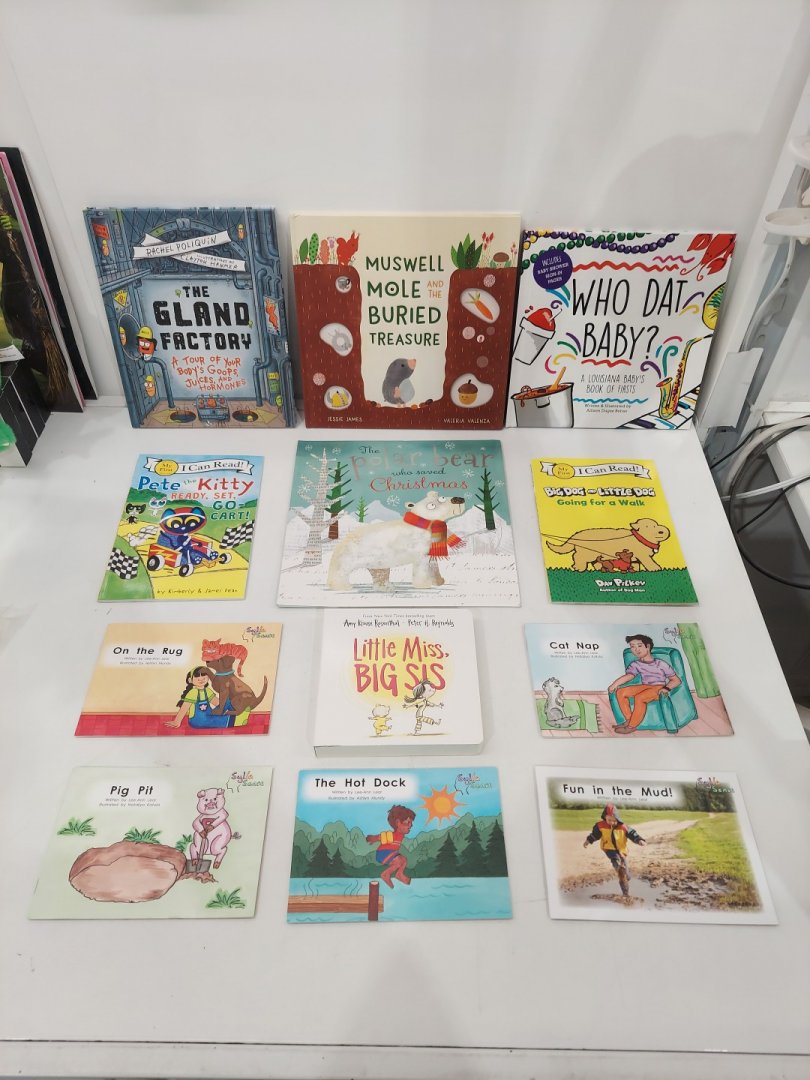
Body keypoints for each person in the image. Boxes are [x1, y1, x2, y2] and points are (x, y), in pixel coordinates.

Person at [608, 633, 681, 733]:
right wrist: (614, 685)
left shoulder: (661, 664)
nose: (636, 649)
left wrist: (666, 688)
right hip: (645, 686)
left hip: (658, 687)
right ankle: (630, 720)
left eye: (639, 645)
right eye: (632, 647)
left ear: (648, 646)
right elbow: (629, 676)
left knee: (640, 697)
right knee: (621, 692)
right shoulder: (636, 664)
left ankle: (631, 727)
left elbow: (676, 680)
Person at [583, 803, 646, 896]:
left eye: (614, 820)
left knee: (626, 875)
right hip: (609, 849)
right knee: (616, 862)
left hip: (622, 850)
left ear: (617, 818)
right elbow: (595, 835)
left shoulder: (623, 827)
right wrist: (588, 841)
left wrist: (639, 840)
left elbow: (632, 834)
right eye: (609, 820)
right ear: (605, 817)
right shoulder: (600, 826)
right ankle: (618, 869)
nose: (612, 822)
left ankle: (625, 881)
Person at [366, 805, 416, 889]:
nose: (411, 825)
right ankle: (386, 874)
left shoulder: (401, 835)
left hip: (391, 853)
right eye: (407, 822)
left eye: (411, 823)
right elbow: (381, 837)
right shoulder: (392, 835)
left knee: (404, 860)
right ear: (398, 823)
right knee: (399, 861)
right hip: (383, 853)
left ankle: (399, 874)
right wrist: (372, 838)